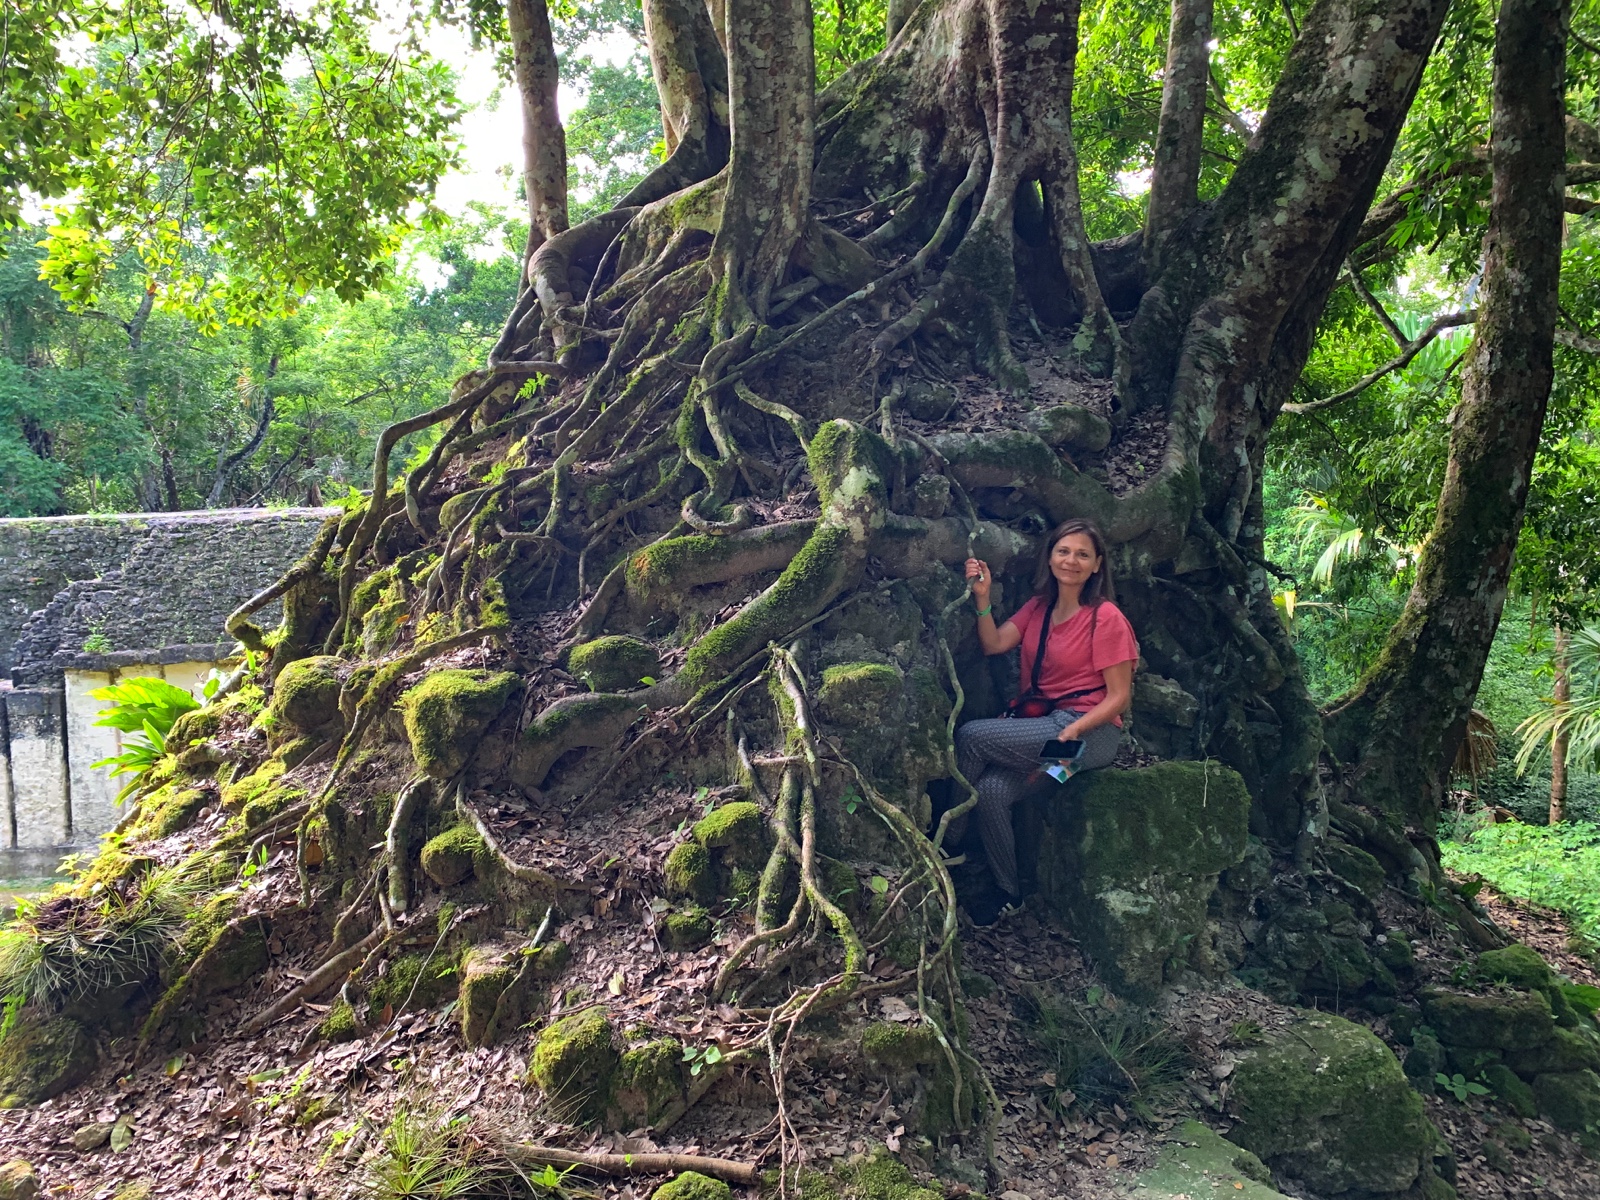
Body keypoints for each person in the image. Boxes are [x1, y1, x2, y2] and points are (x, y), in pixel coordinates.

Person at [956, 517, 1138, 911]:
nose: (1071, 561)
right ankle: (1007, 893)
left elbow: (1119, 696)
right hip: (1048, 734)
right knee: (992, 792)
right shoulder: (1039, 608)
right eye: (1063, 551)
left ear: (1097, 565)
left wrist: (1075, 730)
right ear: (1050, 557)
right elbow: (994, 644)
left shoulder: (1106, 617)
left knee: (972, 736)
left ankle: (949, 842)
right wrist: (982, 598)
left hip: (1089, 740)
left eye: (1083, 555)